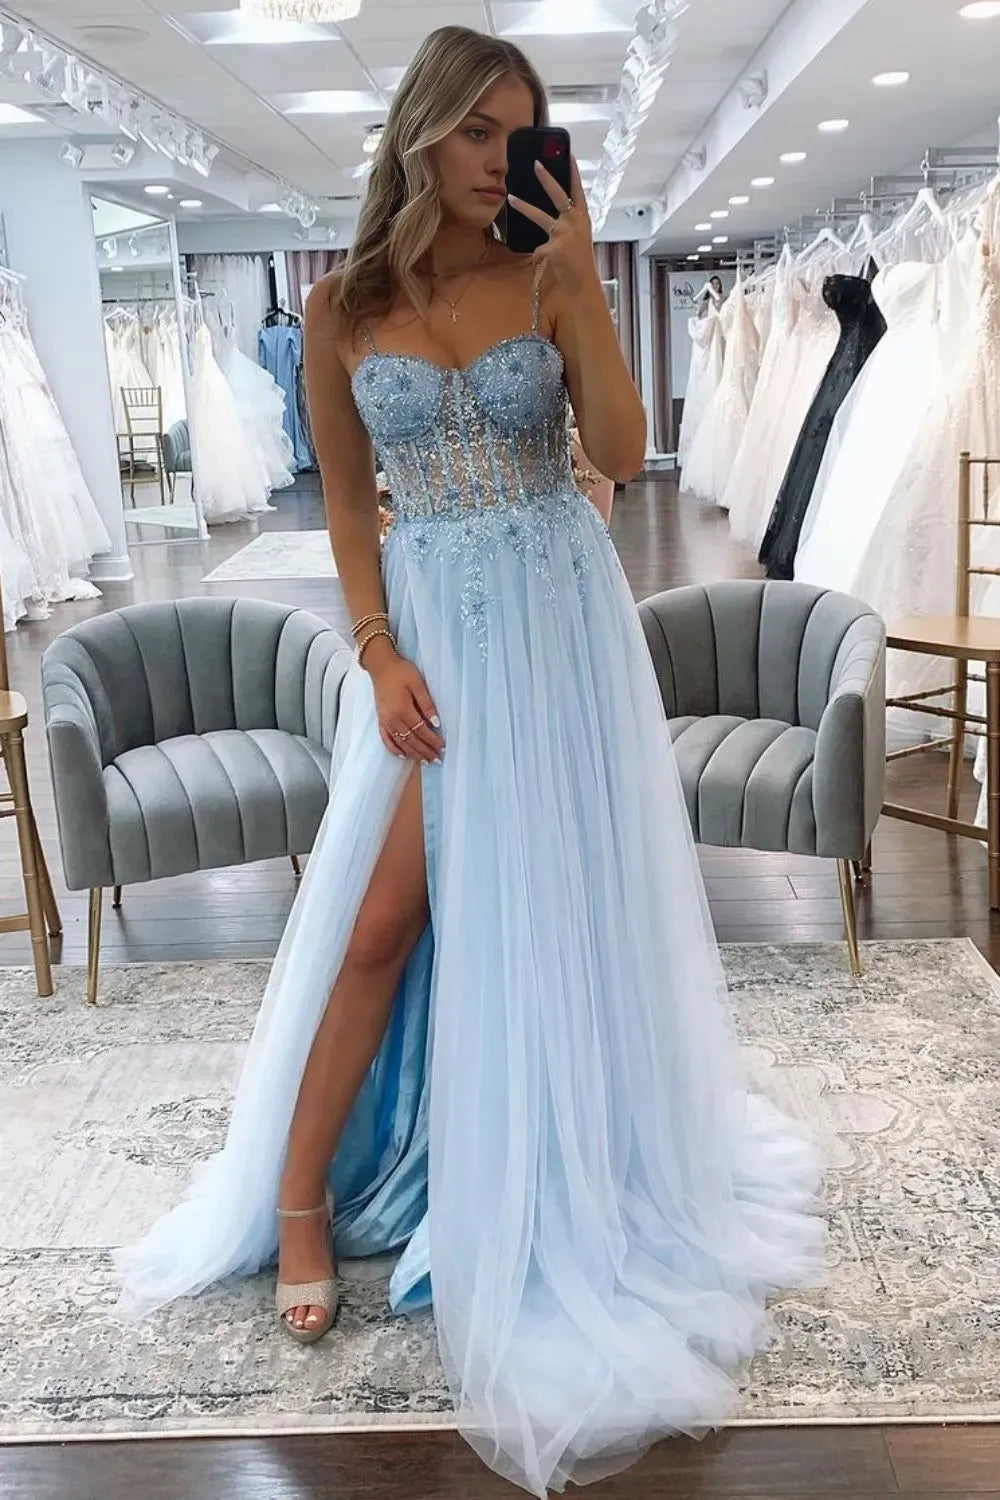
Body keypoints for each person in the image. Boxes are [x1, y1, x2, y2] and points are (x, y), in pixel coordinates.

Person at [115, 25, 826, 1499]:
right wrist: (375, 652)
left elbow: (616, 454)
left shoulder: (546, 273)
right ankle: (299, 1199)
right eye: (478, 131)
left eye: (522, 130)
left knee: (552, 910)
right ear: (421, 132)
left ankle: (552, 1169)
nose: (503, 157)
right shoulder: (341, 305)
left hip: (561, 627)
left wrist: (583, 288)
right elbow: (350, 505)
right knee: (383, 919)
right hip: (433, 643)